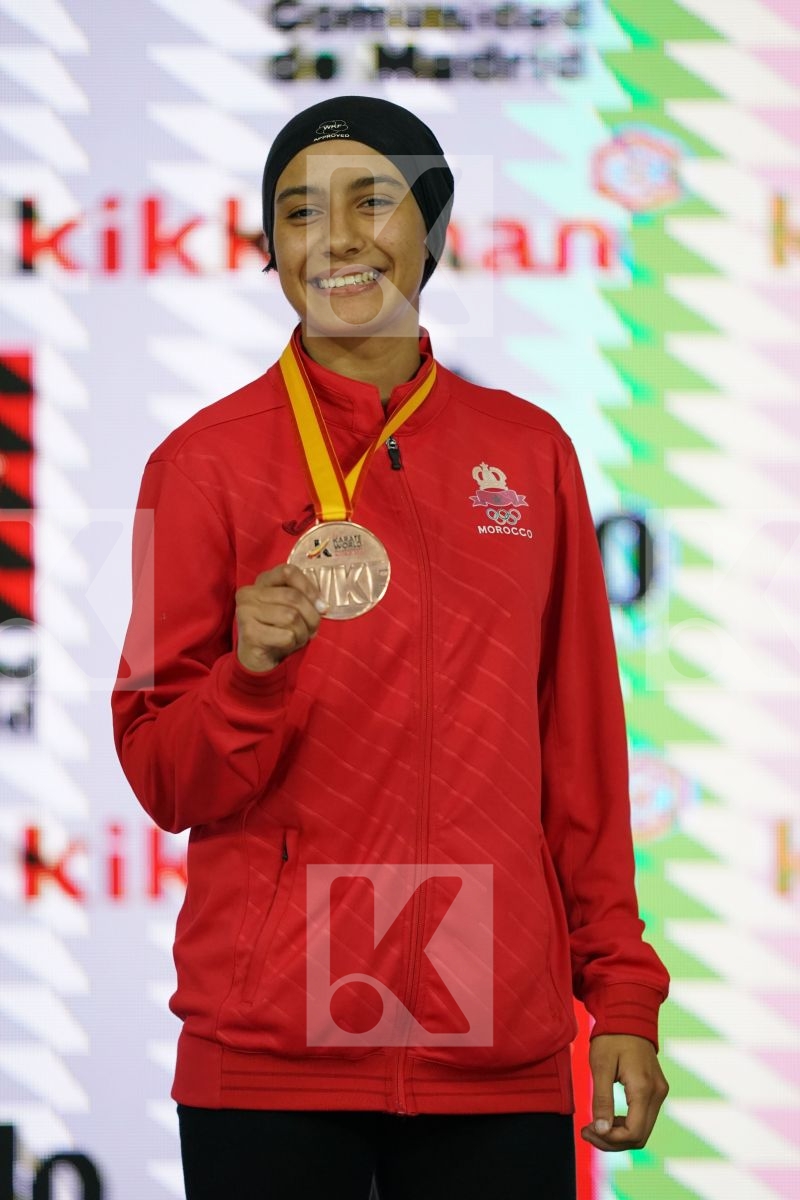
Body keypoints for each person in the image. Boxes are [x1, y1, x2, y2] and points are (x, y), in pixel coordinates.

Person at [112, 95, 669, 1199]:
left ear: (433, 227)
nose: (338, 236)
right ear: (271, 255)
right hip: (268, 1058)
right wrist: (245, 683)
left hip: (491, 1053)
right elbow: (162, 774)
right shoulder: (195, 466)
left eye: (373, 199)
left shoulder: (529, 452)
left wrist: (620, 997)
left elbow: (582, 766)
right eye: (297, 211)